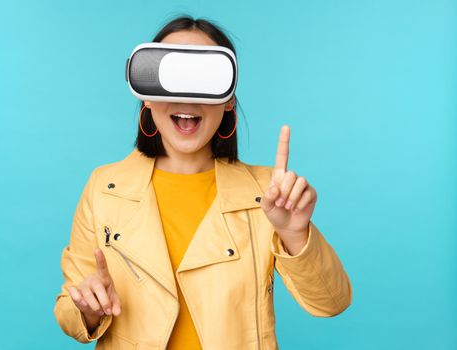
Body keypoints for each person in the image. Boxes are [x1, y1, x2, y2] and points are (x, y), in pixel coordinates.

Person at [54, 15, 352, 350]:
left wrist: (295, 233)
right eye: (170, 77)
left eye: (205, 79)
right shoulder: (104, 188)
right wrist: (89, 309)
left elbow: (331, 302)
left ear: (228, 100)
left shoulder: (268, 195)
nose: (187, 98)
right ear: (146, 96)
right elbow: (69, 310)